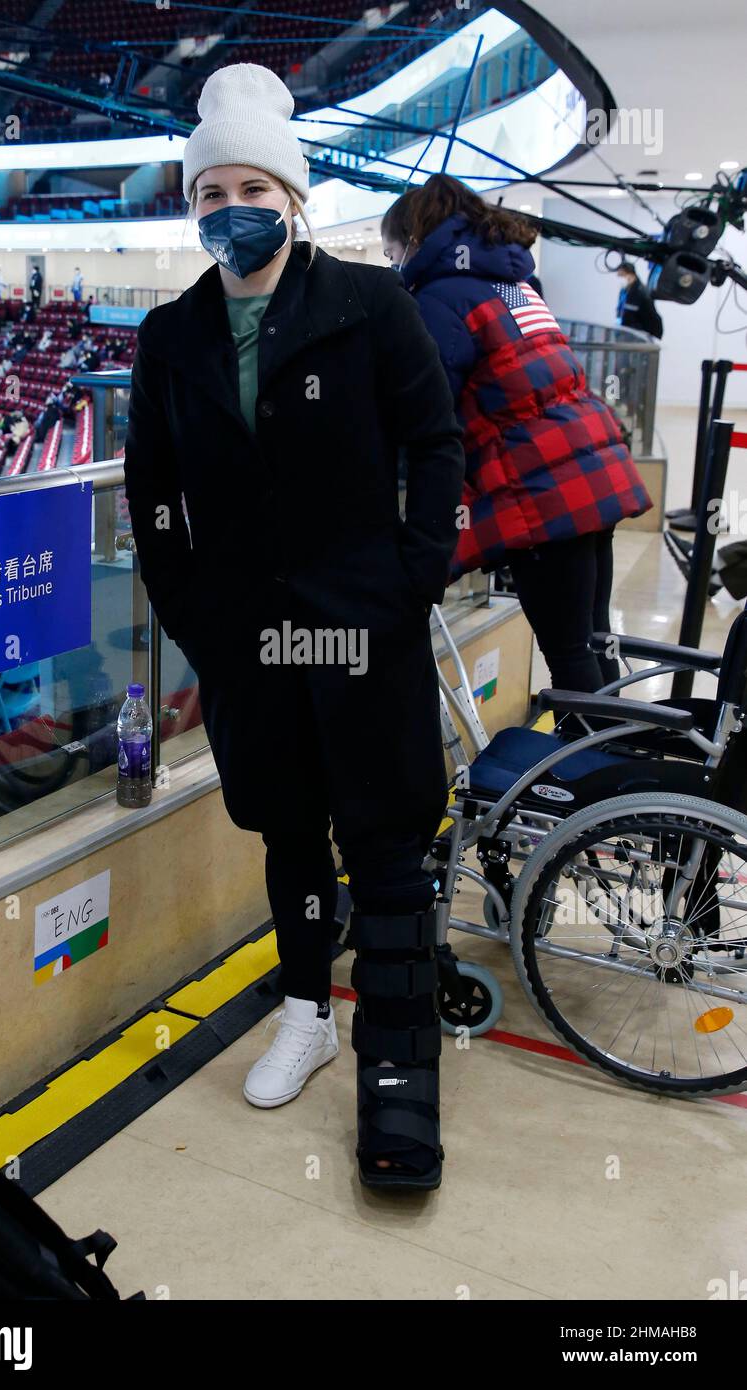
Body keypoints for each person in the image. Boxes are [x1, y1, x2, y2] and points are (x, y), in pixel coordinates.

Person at [123, 63, 464, 1191]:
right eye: (207, 186)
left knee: (384, 842)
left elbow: (433, 446)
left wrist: (408, 576)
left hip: (359, 628)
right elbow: (152, 490)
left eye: (250, 184)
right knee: (288, 835)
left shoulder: (371, 309)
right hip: (250, 642)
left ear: (293, 194)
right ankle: (306, 1011)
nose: (229, 205)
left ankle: (398, 1071)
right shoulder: (171, 336)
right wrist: (195, 613)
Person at [382, 173, 653, 695]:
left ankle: (583, 769)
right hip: (591, 471)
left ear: (415, 241)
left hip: (546, 491)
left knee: (570, 650)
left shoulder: (440, 299)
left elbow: (425, 405)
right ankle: (616, 760)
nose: (393, 266)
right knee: (595, 639)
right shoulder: (513, 283)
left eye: (392, 252)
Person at [615, 262, 664, 338]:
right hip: (630, 332)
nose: (620, 278)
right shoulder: (625, 291)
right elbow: (621, 311)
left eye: (621, 275)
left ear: (630, 274)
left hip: (642, 335)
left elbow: (629, 317)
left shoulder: (639, 291)